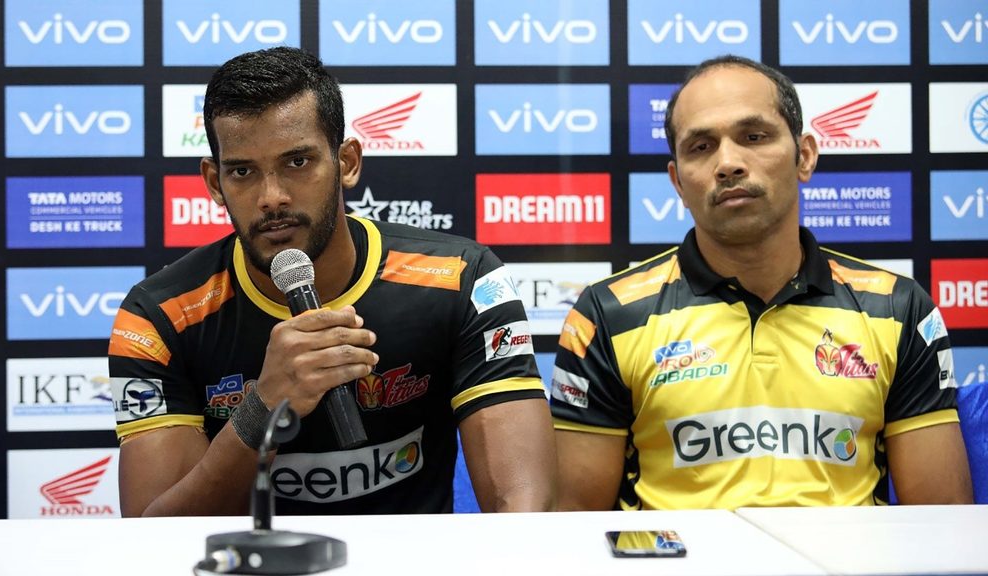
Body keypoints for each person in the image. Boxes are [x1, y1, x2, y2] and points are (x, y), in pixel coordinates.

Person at [108, 47, 556, 516]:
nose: (272, 197)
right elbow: (152, 538)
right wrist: (263, 408)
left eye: (297, 162)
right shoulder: (159, 316)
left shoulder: (464, 280)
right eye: (243, 172)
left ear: (346, 163)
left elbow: (524, 510)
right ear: (215, 183)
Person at [550, 55, 973, 510]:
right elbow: (575, 527)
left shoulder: (896, 308)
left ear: (804, 155)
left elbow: (941, 522)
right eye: (701, 147)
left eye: (754, 137)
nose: (728, 163)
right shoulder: (608, 314)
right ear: (677, 182)